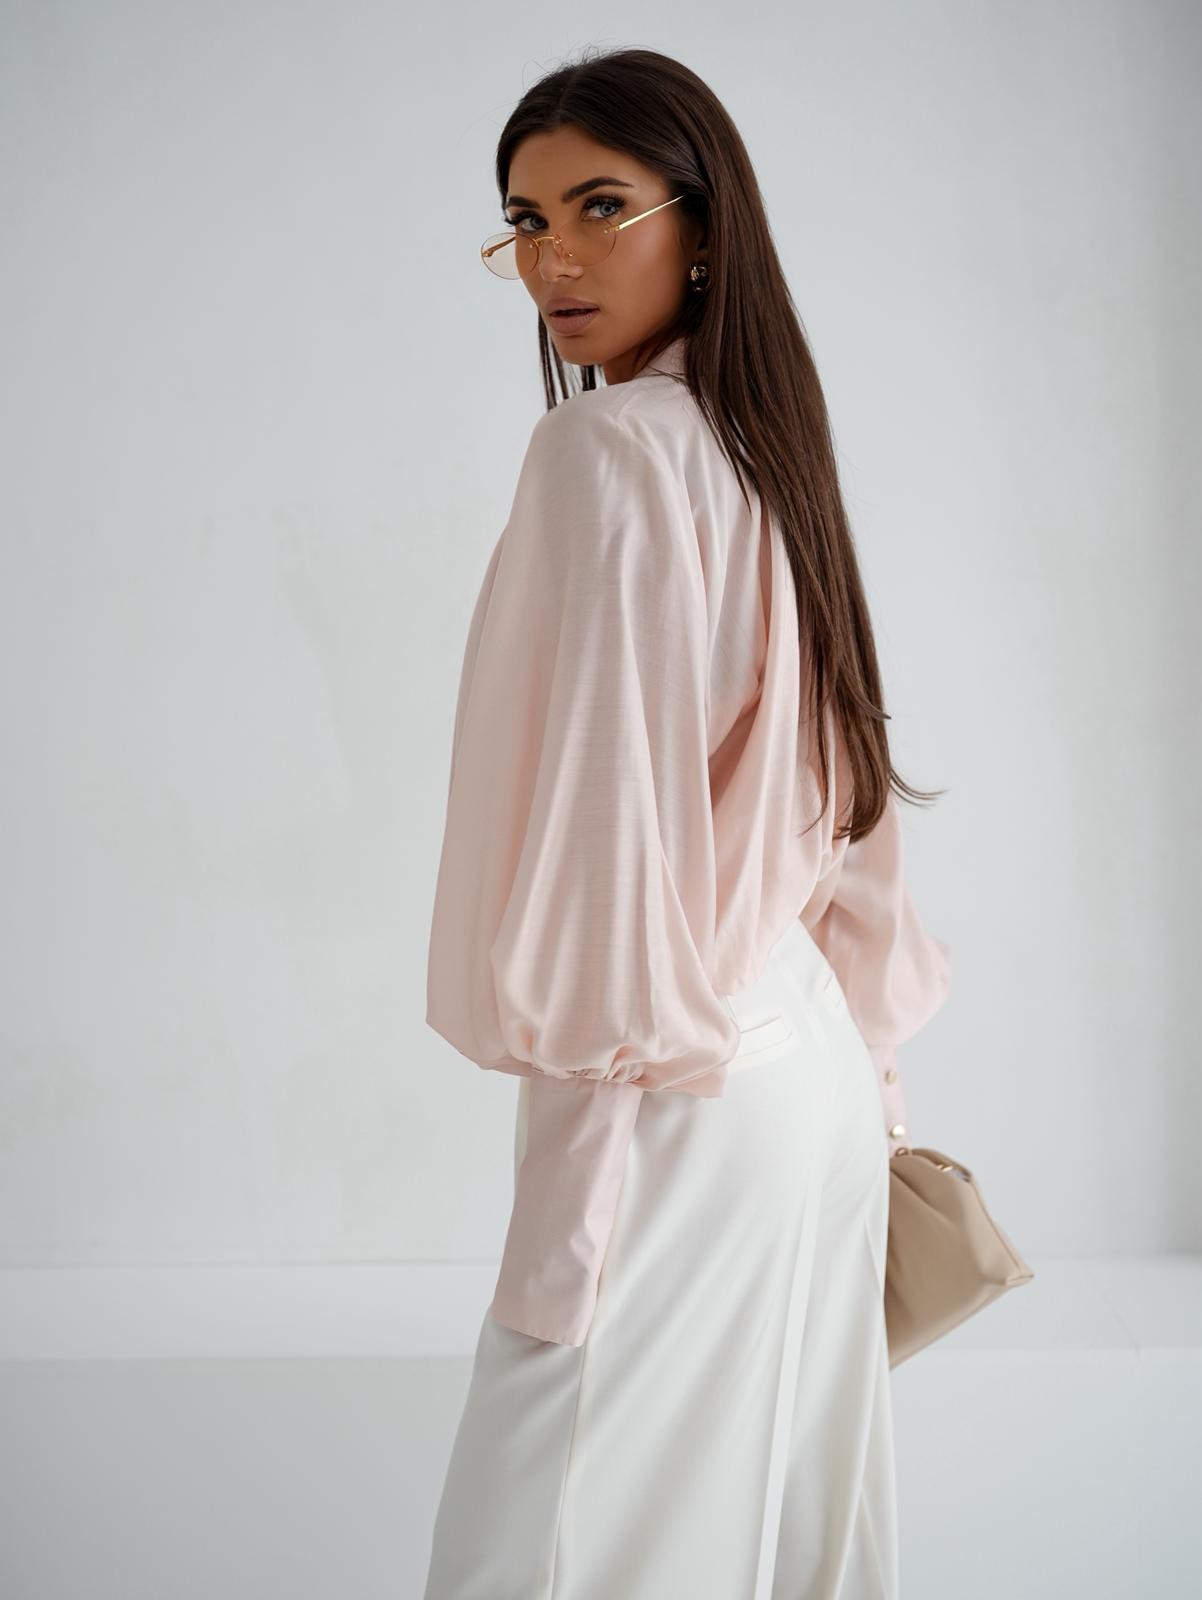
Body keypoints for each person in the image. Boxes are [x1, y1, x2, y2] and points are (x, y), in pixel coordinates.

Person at [421, 46, 951, 1600]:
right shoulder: (764, 444)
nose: (554, 261)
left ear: (702, 223)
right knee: (787, 1542)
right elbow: (852, 802)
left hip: (669, 1086)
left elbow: (605, 837)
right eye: (525, 222)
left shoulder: (603, 453)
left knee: (547, 1548)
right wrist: (875, 1084)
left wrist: (574, 1187)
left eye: (599, 207)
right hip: (809, 1072)